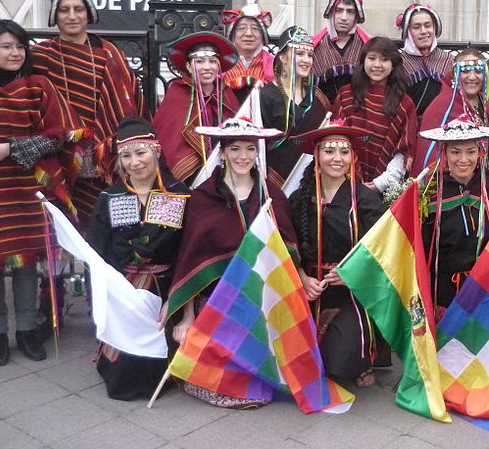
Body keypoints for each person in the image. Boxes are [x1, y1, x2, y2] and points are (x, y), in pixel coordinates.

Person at [166, 117, 295, 408]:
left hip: (260, 293)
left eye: (250, 149)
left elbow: (286, 250)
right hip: (216, 297)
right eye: (235, 148)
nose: (243, 156)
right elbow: (190, 259)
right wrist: (186, 318)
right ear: (222, 152)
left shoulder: (271, 196)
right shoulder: (202, 198)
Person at [0, 19, 82, 366]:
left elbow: (61, 134)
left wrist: (9, 149)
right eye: (6, 46)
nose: (15, 53)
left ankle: (27, 329)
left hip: (27, 188)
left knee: (28, 262)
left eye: (20, 46)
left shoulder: (38, 86)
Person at [87, 117, 190, 400]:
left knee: (157, 361)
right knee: (123, 375)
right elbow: (97, 251)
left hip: (163, 288)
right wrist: (110, 295)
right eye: (127, 156)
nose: (135, 162)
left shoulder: (179, 193)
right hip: (123, 289)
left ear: (156, 151)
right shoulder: (110, 197)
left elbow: (187, 249)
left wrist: (178, 299)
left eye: (141, 152)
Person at [31, 0, 147, 225]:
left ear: (89, 15)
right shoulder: (40, 55)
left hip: (104, 155)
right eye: (64, 10)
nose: (72, 16)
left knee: (106, 226)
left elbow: (129, 96)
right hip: (60, 152)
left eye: (78, 9)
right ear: (55, 16)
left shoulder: (110, 52)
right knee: (65, 228)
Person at [290, 121, 384, 387]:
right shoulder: (299, 199)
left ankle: (362, 356)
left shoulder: (365, 200)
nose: (337, 159)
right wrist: (301, 278)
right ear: (316, 155)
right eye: (329, 151)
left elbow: (382, 248)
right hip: (308, 287)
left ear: (352, 157)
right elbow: (285, 245)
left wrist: (353, 275)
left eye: (344, 152)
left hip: (352, 289)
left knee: (337, 364)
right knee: (296, 359)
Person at [418, 118, 489, 312]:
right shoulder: (431, 192)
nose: (463, 159)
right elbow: (421, 248)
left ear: (481, 153)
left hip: (487, 290)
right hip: (442, 294)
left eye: (471, 151)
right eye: (455, 152)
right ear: (445, 153)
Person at [332, 36, 417, 193]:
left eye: (384, 60)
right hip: (343, 183)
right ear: (363, 61)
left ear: (393, 65)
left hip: (385, 188)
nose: (377, 65)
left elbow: (404, 150)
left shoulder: (404, 103)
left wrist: (380, 183)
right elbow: (335, 138)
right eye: (371, 58)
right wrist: (351, 177)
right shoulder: (345, 95)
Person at [153, 31, 240, 184]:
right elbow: (169, 142)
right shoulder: (177, 95)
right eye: (199, 61)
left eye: (212, 61)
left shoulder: (226, 95)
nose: (207, 67)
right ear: (189, 66)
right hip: (190, 180)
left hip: (228, 174)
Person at [260, 26, 332, 190]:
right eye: (299, 54)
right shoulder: (266, 96)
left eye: (310, 55)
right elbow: (257, 145)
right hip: (273, 183)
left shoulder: (318, 98)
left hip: (311, 183)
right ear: (283, 58)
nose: (306, 60)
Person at [412, 47, 489, 176]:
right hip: (450, 180)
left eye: (478, 71)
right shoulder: (443, 105)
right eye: (465, 72)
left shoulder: (486, 107)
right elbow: (428, 153)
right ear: (455, 74)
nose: (472, 77)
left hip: (481, 176)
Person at [311, 0, 370, 103]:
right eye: (339, 10)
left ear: (357, 15)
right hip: (322, 116)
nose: (344, 17)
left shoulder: (368, 47)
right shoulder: (313, 48)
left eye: (350, 11)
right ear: (331, 12)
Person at [396, 4, 454, 118]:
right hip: (409, 126)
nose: (424, 31)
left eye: (428, 25)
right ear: (408, 32)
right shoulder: (398, 63)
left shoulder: (449, 60)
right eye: (416, 27)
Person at [221, 6, 275, 104]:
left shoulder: (273, 64)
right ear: (232, 34)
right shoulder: (221, 64)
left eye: (255, 28)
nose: (249, 34)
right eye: (242, 28)